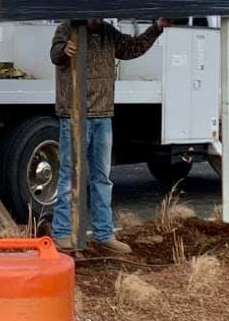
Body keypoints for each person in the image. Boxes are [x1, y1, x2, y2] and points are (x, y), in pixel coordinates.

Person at [50, 17, 175, 254]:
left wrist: (156, 29)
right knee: (69, 176)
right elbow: (55, 56)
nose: (97, 18)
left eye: (100, 15)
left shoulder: (108, 32)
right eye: (93, 14)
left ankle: (103, 234)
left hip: (103, 114)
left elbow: (132, 47)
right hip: (74, 115)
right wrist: (64, 50)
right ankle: (62, 233)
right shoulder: (67, 28)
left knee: (102, 178)